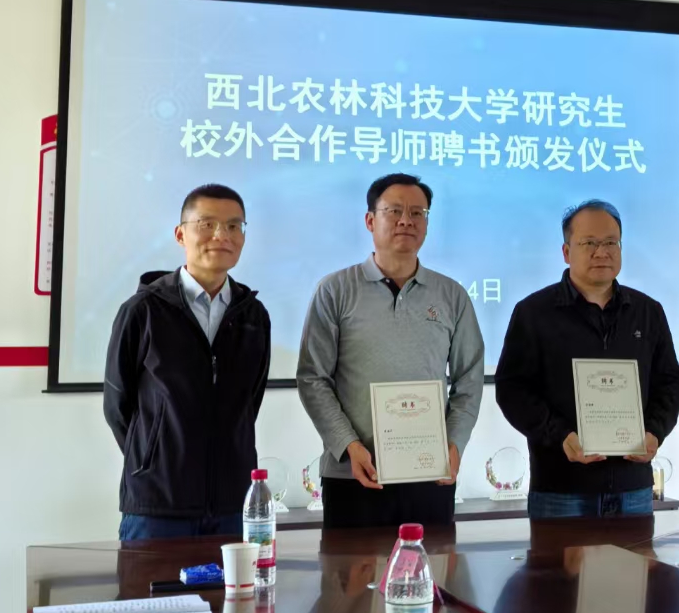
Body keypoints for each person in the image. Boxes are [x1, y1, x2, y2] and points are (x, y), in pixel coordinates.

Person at [297, 173, 484, 529]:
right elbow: (313, 379)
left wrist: (454, 444)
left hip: (429, 474)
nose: (406, 221)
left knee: (431, 565)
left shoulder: (452, 295)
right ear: (370, 220)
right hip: (353, 475)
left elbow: (469, 380)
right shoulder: (335, 290)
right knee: (350, 568)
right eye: (394, 211)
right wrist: (348, 445)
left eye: (417, 213)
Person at [496, 200, 679, 519]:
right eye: (589, 243)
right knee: (559, 557)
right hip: (560, 489)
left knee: (636, 555)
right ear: (566, 252)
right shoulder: (533, 313)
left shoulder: (648, 311)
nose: (602, 252)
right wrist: (560, 436)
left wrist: (654, 432)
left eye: (611, 242)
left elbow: (669, 383)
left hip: (632, 487)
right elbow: (512, 389)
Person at [104, 184, 271, 540]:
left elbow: (250, 402)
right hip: (158, 505)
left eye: (233, 226)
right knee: (149, 581)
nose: (221, 235)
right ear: (181, 234)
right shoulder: (143, 311)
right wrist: (153, 458)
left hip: (232, 503)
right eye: (207, 224)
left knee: (236, 581)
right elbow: (118, 406)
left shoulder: (254, 316)